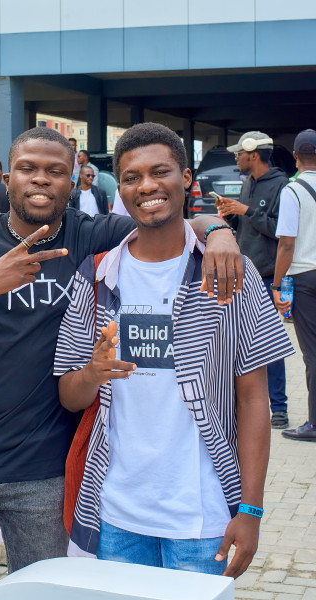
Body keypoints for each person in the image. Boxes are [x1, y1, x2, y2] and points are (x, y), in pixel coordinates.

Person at [0, 126, 243, 600]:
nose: (41, 180)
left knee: (49, 595)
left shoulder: (92, 235)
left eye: (55, 171)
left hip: (45, 472)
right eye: (29, 168)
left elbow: (163, 214)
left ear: (74, 177)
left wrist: (220, 231)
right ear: (8, 176)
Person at [54, 122, 293, 578]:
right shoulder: (98, 276)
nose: (146, 186)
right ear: (120, 189)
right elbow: (69, 395)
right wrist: (92, 372)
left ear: (186, 179)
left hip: (202, 521)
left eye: (159, 172)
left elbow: (253, 399)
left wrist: (252, 510)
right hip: (115, 517)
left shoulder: (227, 273)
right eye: (131, 177)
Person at [216, 131, 290, 429]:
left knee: (269, 345)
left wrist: (246, 210)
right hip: (244, 275)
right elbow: (250, 223)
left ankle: (280, 408)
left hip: (268, 275)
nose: (236, 157)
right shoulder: (248, 182)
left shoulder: (283, 186)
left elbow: (280, 231)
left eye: (239, 153)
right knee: (237, 341)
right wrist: (231, 215)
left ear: (254, 154)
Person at [272, 129, 316, 441]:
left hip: (305, 279)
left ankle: (313, 424)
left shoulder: (293, 191)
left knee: (312, 354)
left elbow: (286, 244)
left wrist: (276, 285)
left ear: (297, 157)